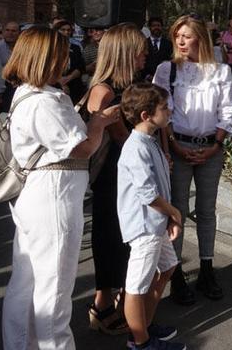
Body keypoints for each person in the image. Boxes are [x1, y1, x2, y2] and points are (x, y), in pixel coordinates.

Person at [1, 25, 118, 350]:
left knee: (28, 281)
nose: (67, 59)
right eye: (61, 54)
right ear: (46, 58)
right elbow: (80, 147)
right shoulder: (43, 101)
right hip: (52, 198)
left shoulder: (31, 94)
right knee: (53, 286)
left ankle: (21, 343)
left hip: (41, 195)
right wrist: (97, 123)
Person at [153, 15, 232, 305]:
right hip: (179, 148)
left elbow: (228, 112)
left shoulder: (221, 71)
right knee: (176, 211)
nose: (180, 41)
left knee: (206, 210)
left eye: (186, 36)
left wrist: (215, 145)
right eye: (177, 35)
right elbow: (162, 112)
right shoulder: (167, 70)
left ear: (200, 38)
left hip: (210, 149)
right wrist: (173, 147)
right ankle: (175, 274)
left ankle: (206, 268)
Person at [86, 23, 148, 334]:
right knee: (110, 238)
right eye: (139, 51)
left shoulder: (127, 85)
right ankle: (102, 303)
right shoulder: (104, 90)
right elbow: (122, 138)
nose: (144, 55)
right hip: (111, 175)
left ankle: (111, 301)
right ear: (123, 53)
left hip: (125, 173)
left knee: (122, 238)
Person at [117, 83, 186, 350]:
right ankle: (140, 342)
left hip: (155, 224)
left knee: (168, 266)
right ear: (146, 115)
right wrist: (174, 212)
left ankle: (142, 325)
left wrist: (167, 217)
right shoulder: (137, 147)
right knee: (136, 286)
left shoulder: (149, 140)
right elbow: (147, 194)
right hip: (145, 227)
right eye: (164, 108)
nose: (169, 112)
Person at [53, 19, 88, 103]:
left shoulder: (75, 47)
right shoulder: (50, 47)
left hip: (74, 84)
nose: (66, 32)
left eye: (68, 30)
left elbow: (80, 66)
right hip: (55, 85)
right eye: (63, 30)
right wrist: (60, 82)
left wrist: (68, 78)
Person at [144, 17, 173, 82]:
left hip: (164, 79)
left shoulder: (169, 44)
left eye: (158, 25)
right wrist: (147, 76)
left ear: (162, 27)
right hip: (146, 80)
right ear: (149, 28)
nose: (156, 28)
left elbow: (171, 60)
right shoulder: (144, 43)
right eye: (154, 26)